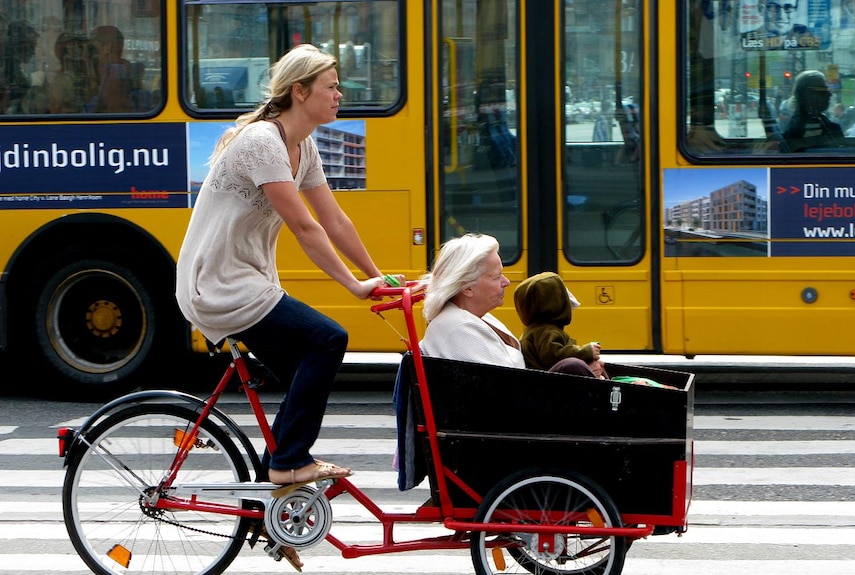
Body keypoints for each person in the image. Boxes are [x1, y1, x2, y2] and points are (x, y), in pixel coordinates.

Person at [176, 44, 391, 496]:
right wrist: (353, 286)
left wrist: (380, 277)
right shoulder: (261, 143)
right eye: (331, 88)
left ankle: (272, 483)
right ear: (300, 91)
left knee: (305, 372)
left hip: (247, 281)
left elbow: (335, 220)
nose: (339, 96)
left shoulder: (302, 145)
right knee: (328, 339)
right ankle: (287, 463)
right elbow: (305, 227)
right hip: (219, 284)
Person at [419, 233, 525, 368]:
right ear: (467, 287)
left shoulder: (463, 318)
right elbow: (508, 380)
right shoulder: (458, 328)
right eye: (497, 276)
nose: (506, 282)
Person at [514, 271, 606, 378]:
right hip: (548, 384)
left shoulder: (540, 329)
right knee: (574, 365)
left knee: (599, 365)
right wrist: (585, 352)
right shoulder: (546, 332)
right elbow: (555, 356)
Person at [781, 70, 845, 152]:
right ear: (807, 95)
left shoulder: (817, 120)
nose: (829, 94)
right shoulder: (804, 127)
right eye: (822, 91)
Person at [85, 25, 133, 112]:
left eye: (93, 49)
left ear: (108, 47)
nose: (89, 54)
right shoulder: (118, 70)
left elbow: (111, 108)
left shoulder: (114, 72)